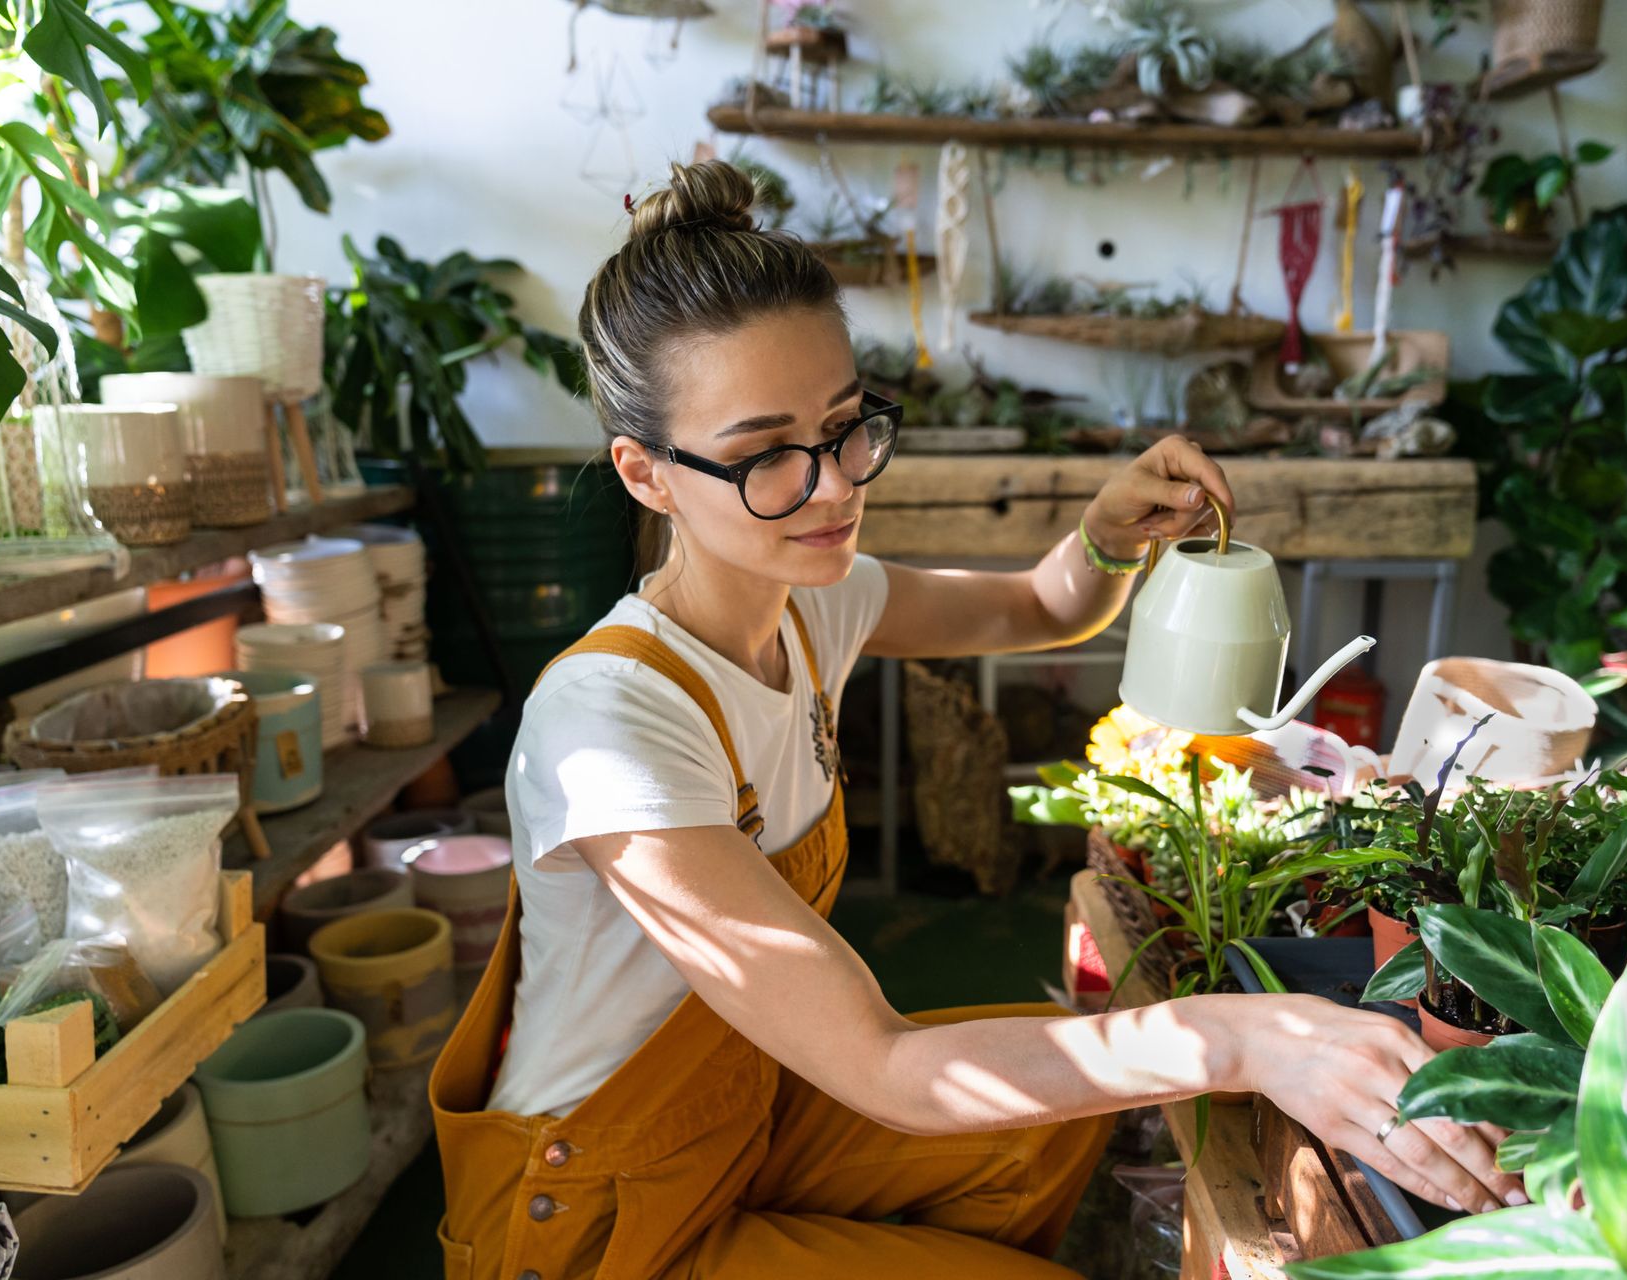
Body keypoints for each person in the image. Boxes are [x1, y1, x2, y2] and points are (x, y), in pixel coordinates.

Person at [429, 159, 1523, 1280]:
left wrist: (1109, 531)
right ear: (645, 474)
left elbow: (1043, 604)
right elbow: (886, 1062)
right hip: (603, 1208)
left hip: (752, 1106)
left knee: (1046, 1116)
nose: (834, 487)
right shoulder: (609, 722)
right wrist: (1239, 1038)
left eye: (848, 427)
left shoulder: (817, 601)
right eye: (766, 457)